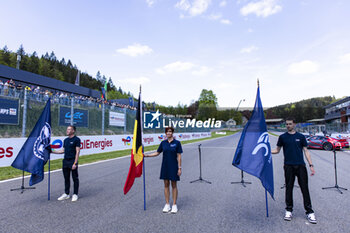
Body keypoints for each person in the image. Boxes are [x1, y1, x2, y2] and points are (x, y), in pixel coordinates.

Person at [271, 118, 317, 224]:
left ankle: (309, 212)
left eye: (290, 124)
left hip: (300, 166)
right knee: (289, 188)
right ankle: (288, 210)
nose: (288, 126)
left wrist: (311, 164)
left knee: (304, 188)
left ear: (294, 124)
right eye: (286, 124)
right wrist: (267, 151)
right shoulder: (282, 137)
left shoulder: (300, 137)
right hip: (288, 166)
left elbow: (306, 151)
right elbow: (277, 150)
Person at [144, 127, 183, 214]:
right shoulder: (163, 143)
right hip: (165, 166)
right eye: (167, 132)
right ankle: (167, 204)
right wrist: (146, 155)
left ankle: (174, 205)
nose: (168, 133)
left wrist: (179, 168)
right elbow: (157, 153)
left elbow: (179, 156)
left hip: (174, 167)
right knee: (166, 185)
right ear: (165, 133)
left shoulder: (177, 143)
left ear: (172, 133)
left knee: (174, 185)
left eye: (170, 131)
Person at [51, 125, 81, 202]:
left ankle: (75, 194)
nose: (67, 130)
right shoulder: (66, 140)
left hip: (72, 161)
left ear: (73, 131)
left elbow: (77, 152)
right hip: (65, 161)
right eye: (67, 129)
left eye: (69, 129)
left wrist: (75, 163)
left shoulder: (76, 139)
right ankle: (66, 193)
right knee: (66, 178)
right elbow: (63, 151)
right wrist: (53, 152)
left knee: (75, 178)